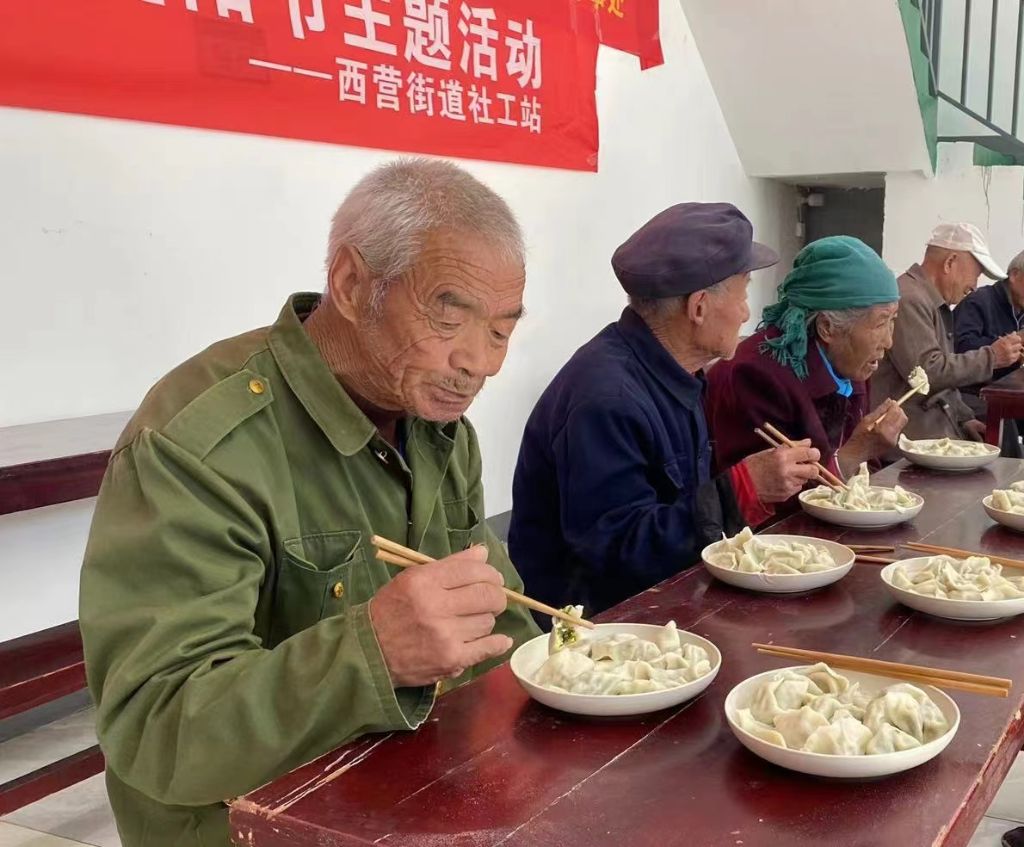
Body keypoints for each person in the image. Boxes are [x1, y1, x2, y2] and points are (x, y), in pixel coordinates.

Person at [79, 158, 541, 846]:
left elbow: (500, 616)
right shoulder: (200, 446)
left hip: (405, 791)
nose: (481, 362)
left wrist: (573, 677)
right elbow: (158, 728)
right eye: (449, 319)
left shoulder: (439, 430)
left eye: (501, 331)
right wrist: (372, 652)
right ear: (352, 285)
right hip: (247, 826)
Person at [508, 202, 821, 616]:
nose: (747, 312)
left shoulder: (676, 373)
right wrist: (742, 490)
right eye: (743, 292)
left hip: (664, 599)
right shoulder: (607, 398)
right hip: (596, 628)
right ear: (699, 307)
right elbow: (618, 554)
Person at [707, 236, 908, 483]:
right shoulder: (755, 377)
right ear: (827, 327)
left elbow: (865, 472)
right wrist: (857, 452)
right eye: (880, 323)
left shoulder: (850, 363)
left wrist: (869, 450)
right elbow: (769, 495)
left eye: (893, 320)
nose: (889, 341)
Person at [872, 223, 1022, 442]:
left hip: (934, 425)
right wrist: (992, 357)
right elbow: (927, 373)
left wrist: (964, 417)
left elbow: (942, 378)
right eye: (976, 274)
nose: (974, 285)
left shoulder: (929, 300)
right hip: (912, 438)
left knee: (1003, 435)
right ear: (950, 262)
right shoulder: (911, 299)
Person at [954, 248, 1024, 456]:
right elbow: (959, 349)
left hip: (1007, 391)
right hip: (969, 393)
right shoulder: (978, 302)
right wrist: (1012, 343)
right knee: (1004, 423)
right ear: (1014, 275)